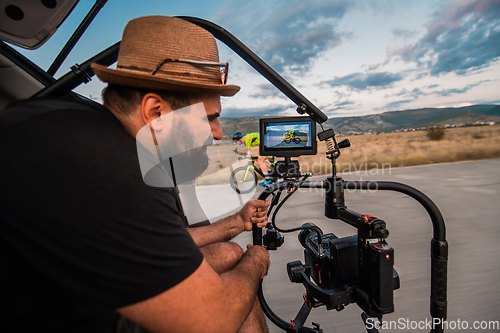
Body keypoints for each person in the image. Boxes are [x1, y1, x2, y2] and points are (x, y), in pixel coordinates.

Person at [0, 16, 271, 333]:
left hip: (58, 296)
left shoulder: (67, 122)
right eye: (209, 118)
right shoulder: (115, 167)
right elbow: (210, 322)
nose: (217, 133)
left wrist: (236, 224)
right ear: (156, 112)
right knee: (238, 277)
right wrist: (257, 263)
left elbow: (156, 239)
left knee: (229, 253)